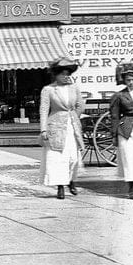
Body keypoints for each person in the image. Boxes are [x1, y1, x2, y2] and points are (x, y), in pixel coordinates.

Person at [39, 56, 84, 199]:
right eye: (62, 74)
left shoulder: (74, 88)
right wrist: (44, 129)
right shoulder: (48, 90)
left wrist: (73, 116)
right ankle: (60, 186)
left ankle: (71, 180)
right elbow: (44, 109)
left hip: (72, 127)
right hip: (56, 127)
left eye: (67, 74)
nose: (65, 77)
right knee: (58, 157)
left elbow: (80, 105)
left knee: (73, 157)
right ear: (56, 75)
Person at [109, 66, 133, 199]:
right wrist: (114, 134)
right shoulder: (119, 96)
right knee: (129, 158)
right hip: (126, 128)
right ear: (124, 81)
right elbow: (114, 117)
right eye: (128, 80)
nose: (131, 82)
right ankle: (132, 188)